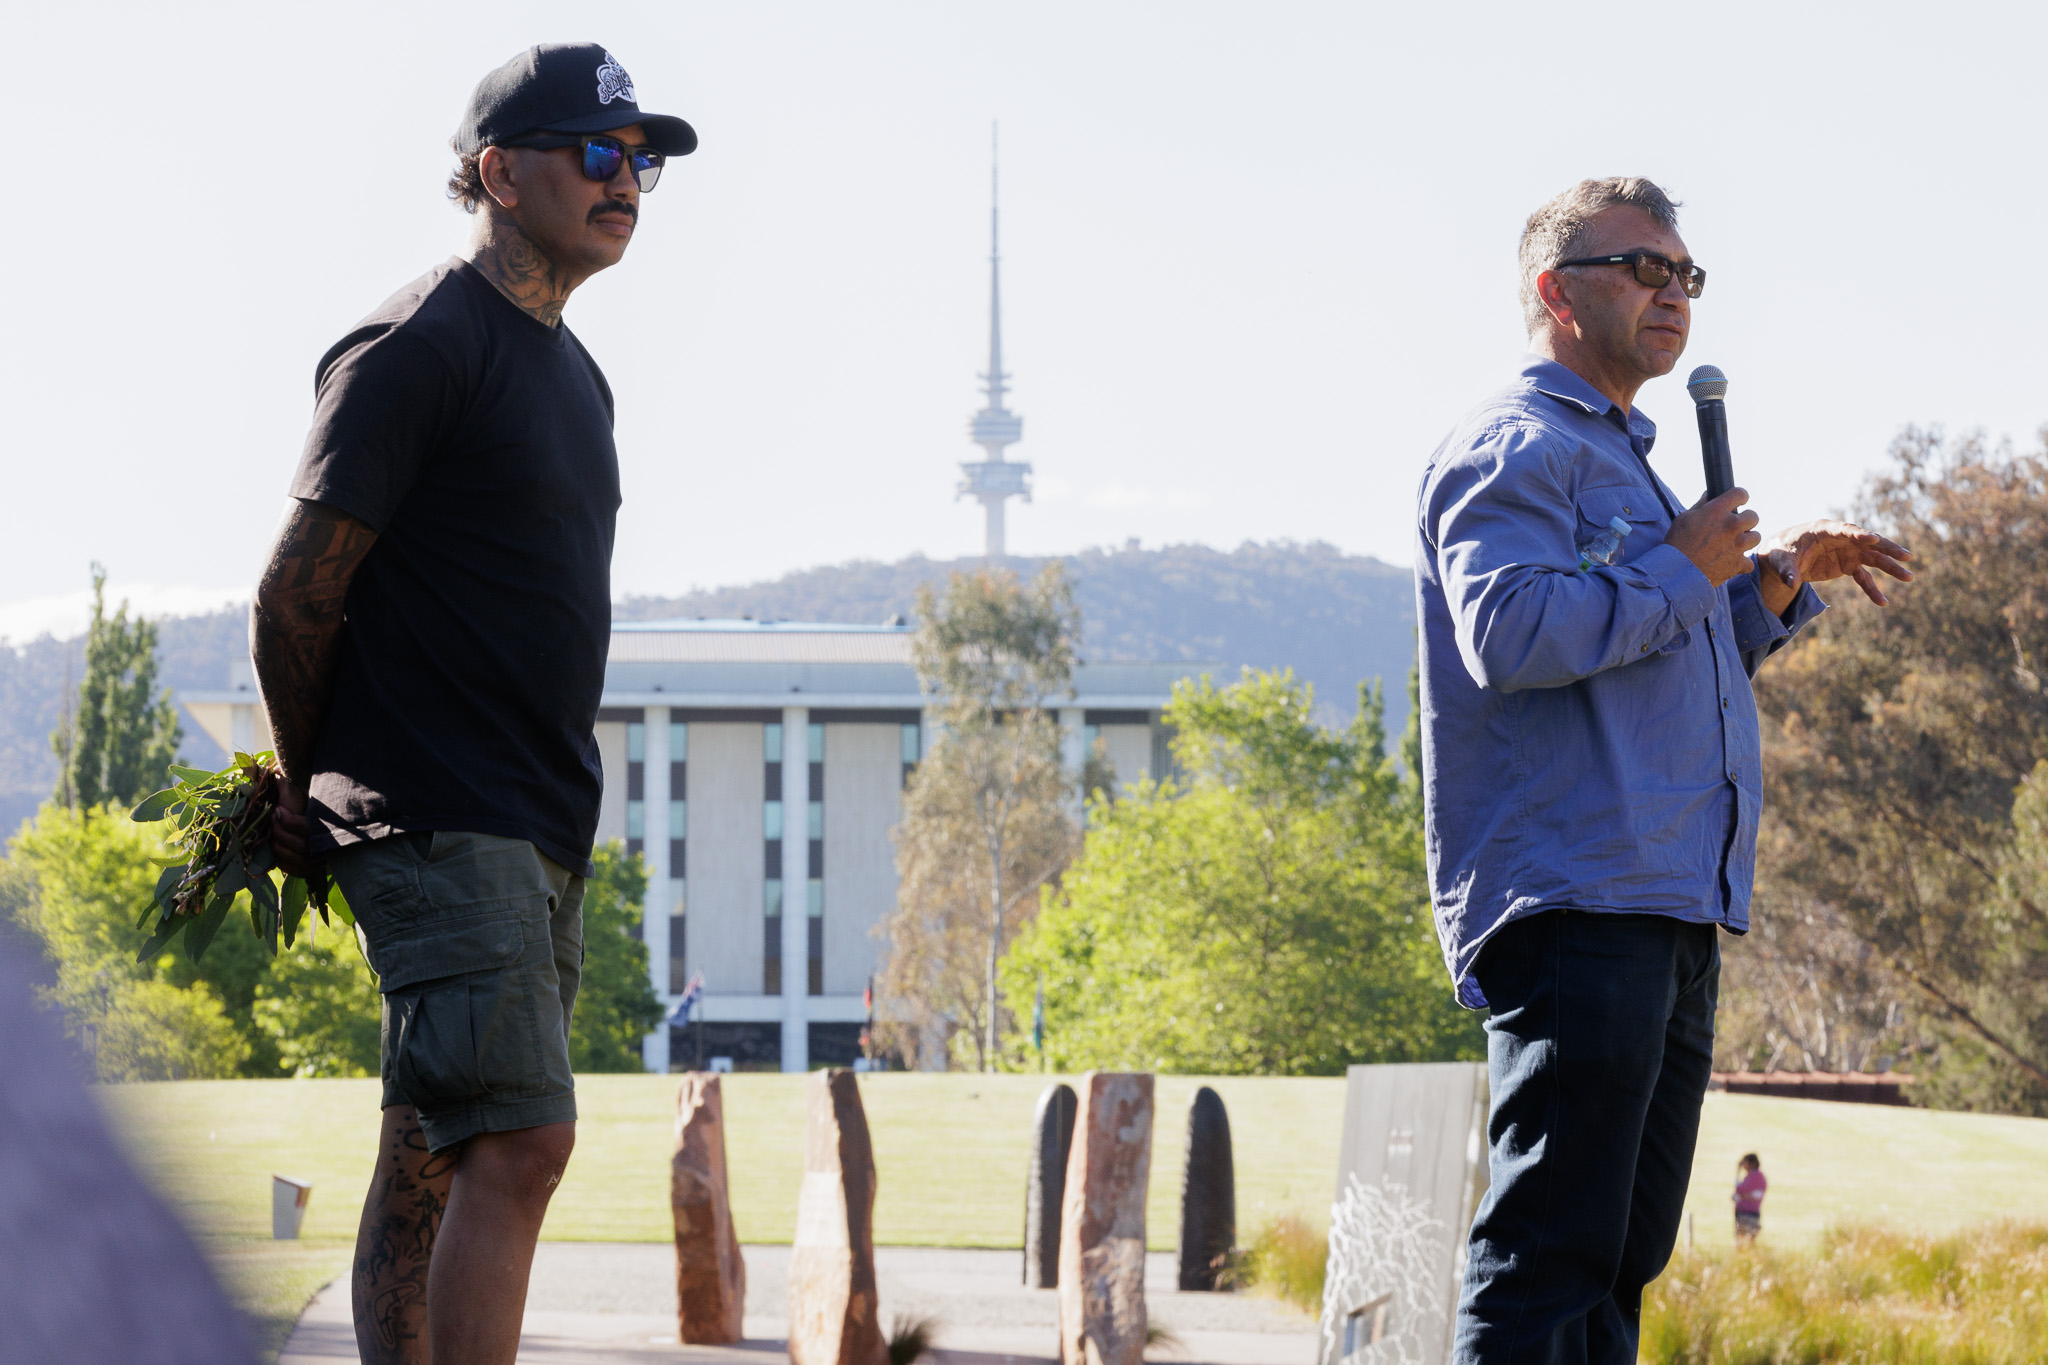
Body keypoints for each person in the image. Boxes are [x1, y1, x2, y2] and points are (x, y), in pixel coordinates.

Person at [1413, 177, 1913, 1364]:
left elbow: (1653, 654)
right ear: (1555, 293)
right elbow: (1512, 637)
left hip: (1668, 902)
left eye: (1684, 274)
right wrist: (1685, 565)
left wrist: (1766, 587)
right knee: (1550, 1253)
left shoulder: (1627, 461)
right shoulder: (1514, 448)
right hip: (1578, 899)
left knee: (1619, 1254)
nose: (1671, 293)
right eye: (1641, 268)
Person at [248, 44, 695, 1365]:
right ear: (499, 173)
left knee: (435, 1147)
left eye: (642, 162)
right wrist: (302, 784)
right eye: (598, 154)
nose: (627, 183)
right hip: (440, 808)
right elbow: (294, 592)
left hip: (536, 813)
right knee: (520, 1138)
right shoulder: (416, 347)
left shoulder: (574, 372)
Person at [1733, 1153, 1767, 1241]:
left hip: (1748, 1213)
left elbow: (1740, 1189)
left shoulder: (1756, 1176)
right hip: (1747, 1212)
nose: (1743, 1164)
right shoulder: (1753, 1176)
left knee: (1744, 1240)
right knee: (1745, 1240)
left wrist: (1738, 1170)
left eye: (1745, 1162)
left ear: (1752, 1163)